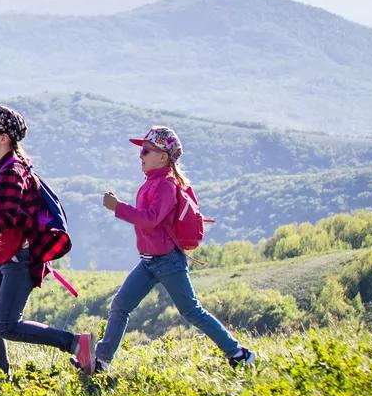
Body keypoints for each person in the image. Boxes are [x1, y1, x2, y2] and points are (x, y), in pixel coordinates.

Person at [0, 105, 93, 374]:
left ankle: (76, 344)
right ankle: (1, 379)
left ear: (3, 138)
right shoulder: (2, 169)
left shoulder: (11, 172)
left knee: (7, 325)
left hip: (19, 257)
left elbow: (8, 219)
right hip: (3, 255)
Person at [89, 126, 256, 372]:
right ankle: (101, 362)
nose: (141, 155)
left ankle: (239, 353)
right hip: (149, 261)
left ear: (163, 157)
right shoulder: (153, 182)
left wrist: (118, 207)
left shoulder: (166, 185)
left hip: (167, 261)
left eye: (146, 151)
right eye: (141, 151)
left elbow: (151, 219)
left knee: (191, 311)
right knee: (120, 306)